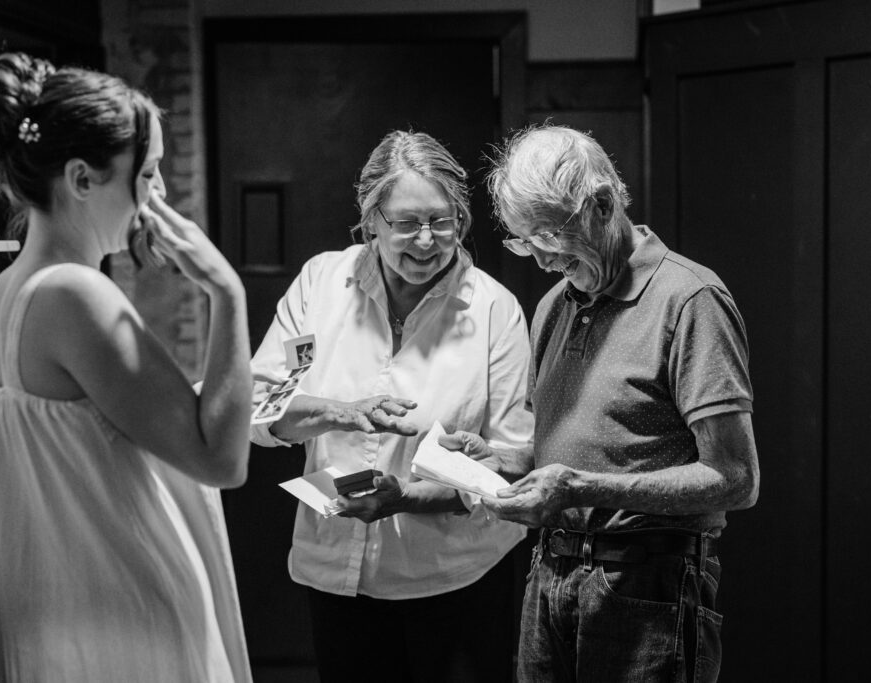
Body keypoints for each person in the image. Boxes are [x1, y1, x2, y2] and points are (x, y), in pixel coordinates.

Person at [0, 53, 253, 682]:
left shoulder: (9, 293)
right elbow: (221, 461)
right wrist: (227, 292)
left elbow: (90, 434)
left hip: (63, 619)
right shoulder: (77, 295)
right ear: (83, 179)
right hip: (125, 621)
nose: (158, 195)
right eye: (146, 174)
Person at [440, 124, 760, 682]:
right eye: (524, 240)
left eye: (548, 235)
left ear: (603, 205)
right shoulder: (553, 307)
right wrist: (497, 461)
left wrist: (583, 488)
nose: (539, 259)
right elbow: (574, 452)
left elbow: (736, 478)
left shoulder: (690, 299)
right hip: (550, 575)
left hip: (649, 584)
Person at [250, 130, 533, 682]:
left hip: (456, 581)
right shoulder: (322, 285)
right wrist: (342, 411)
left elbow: (512, 463)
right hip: (336, 574)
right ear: (372, 218)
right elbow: (264, 403)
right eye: (406, 223)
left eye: (442, 221)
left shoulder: (496, 310)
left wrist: (405, 499)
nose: (426, 241)